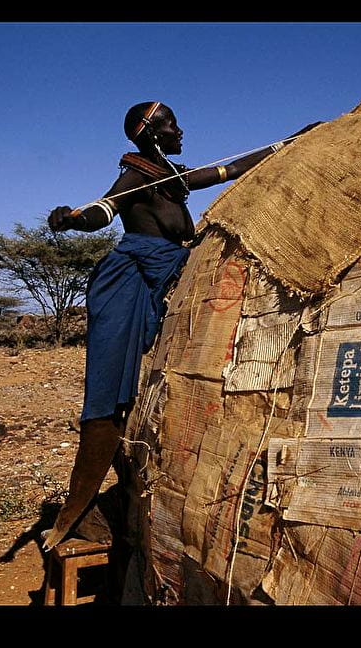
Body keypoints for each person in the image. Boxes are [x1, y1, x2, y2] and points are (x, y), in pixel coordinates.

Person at [42, 101, 318, 552]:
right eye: (170, 123)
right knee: (109, 385)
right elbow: (105, 208)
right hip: (134, 276)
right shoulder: (135, 176)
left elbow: (230, 169)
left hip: (169, 265)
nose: (179, 130)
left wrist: (287, 143)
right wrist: (74, 219)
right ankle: (78, 507)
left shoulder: (172, 179)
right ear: (150, 132)